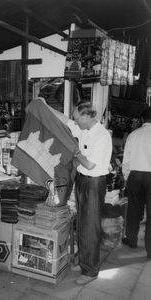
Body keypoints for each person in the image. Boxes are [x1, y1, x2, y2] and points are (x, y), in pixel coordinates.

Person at [36, 98, 112, 285]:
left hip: (94, 184)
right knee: (82, 223)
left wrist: (75, 151)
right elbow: (66, 121)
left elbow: (89, 163)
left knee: (90, 226)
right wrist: (45, 105)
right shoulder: (84, 129)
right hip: (82, 180)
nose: (75, 121)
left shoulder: (102, 136)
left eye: (78, 118)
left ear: (87, 116)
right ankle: (84, 261)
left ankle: (91, 270)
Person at [122, 106, 151, 258]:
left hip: (135, 175)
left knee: (133, 209)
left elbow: (126, 160)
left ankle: (132, 239)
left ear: (142, 119)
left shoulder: (133, 135)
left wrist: (128, 177)